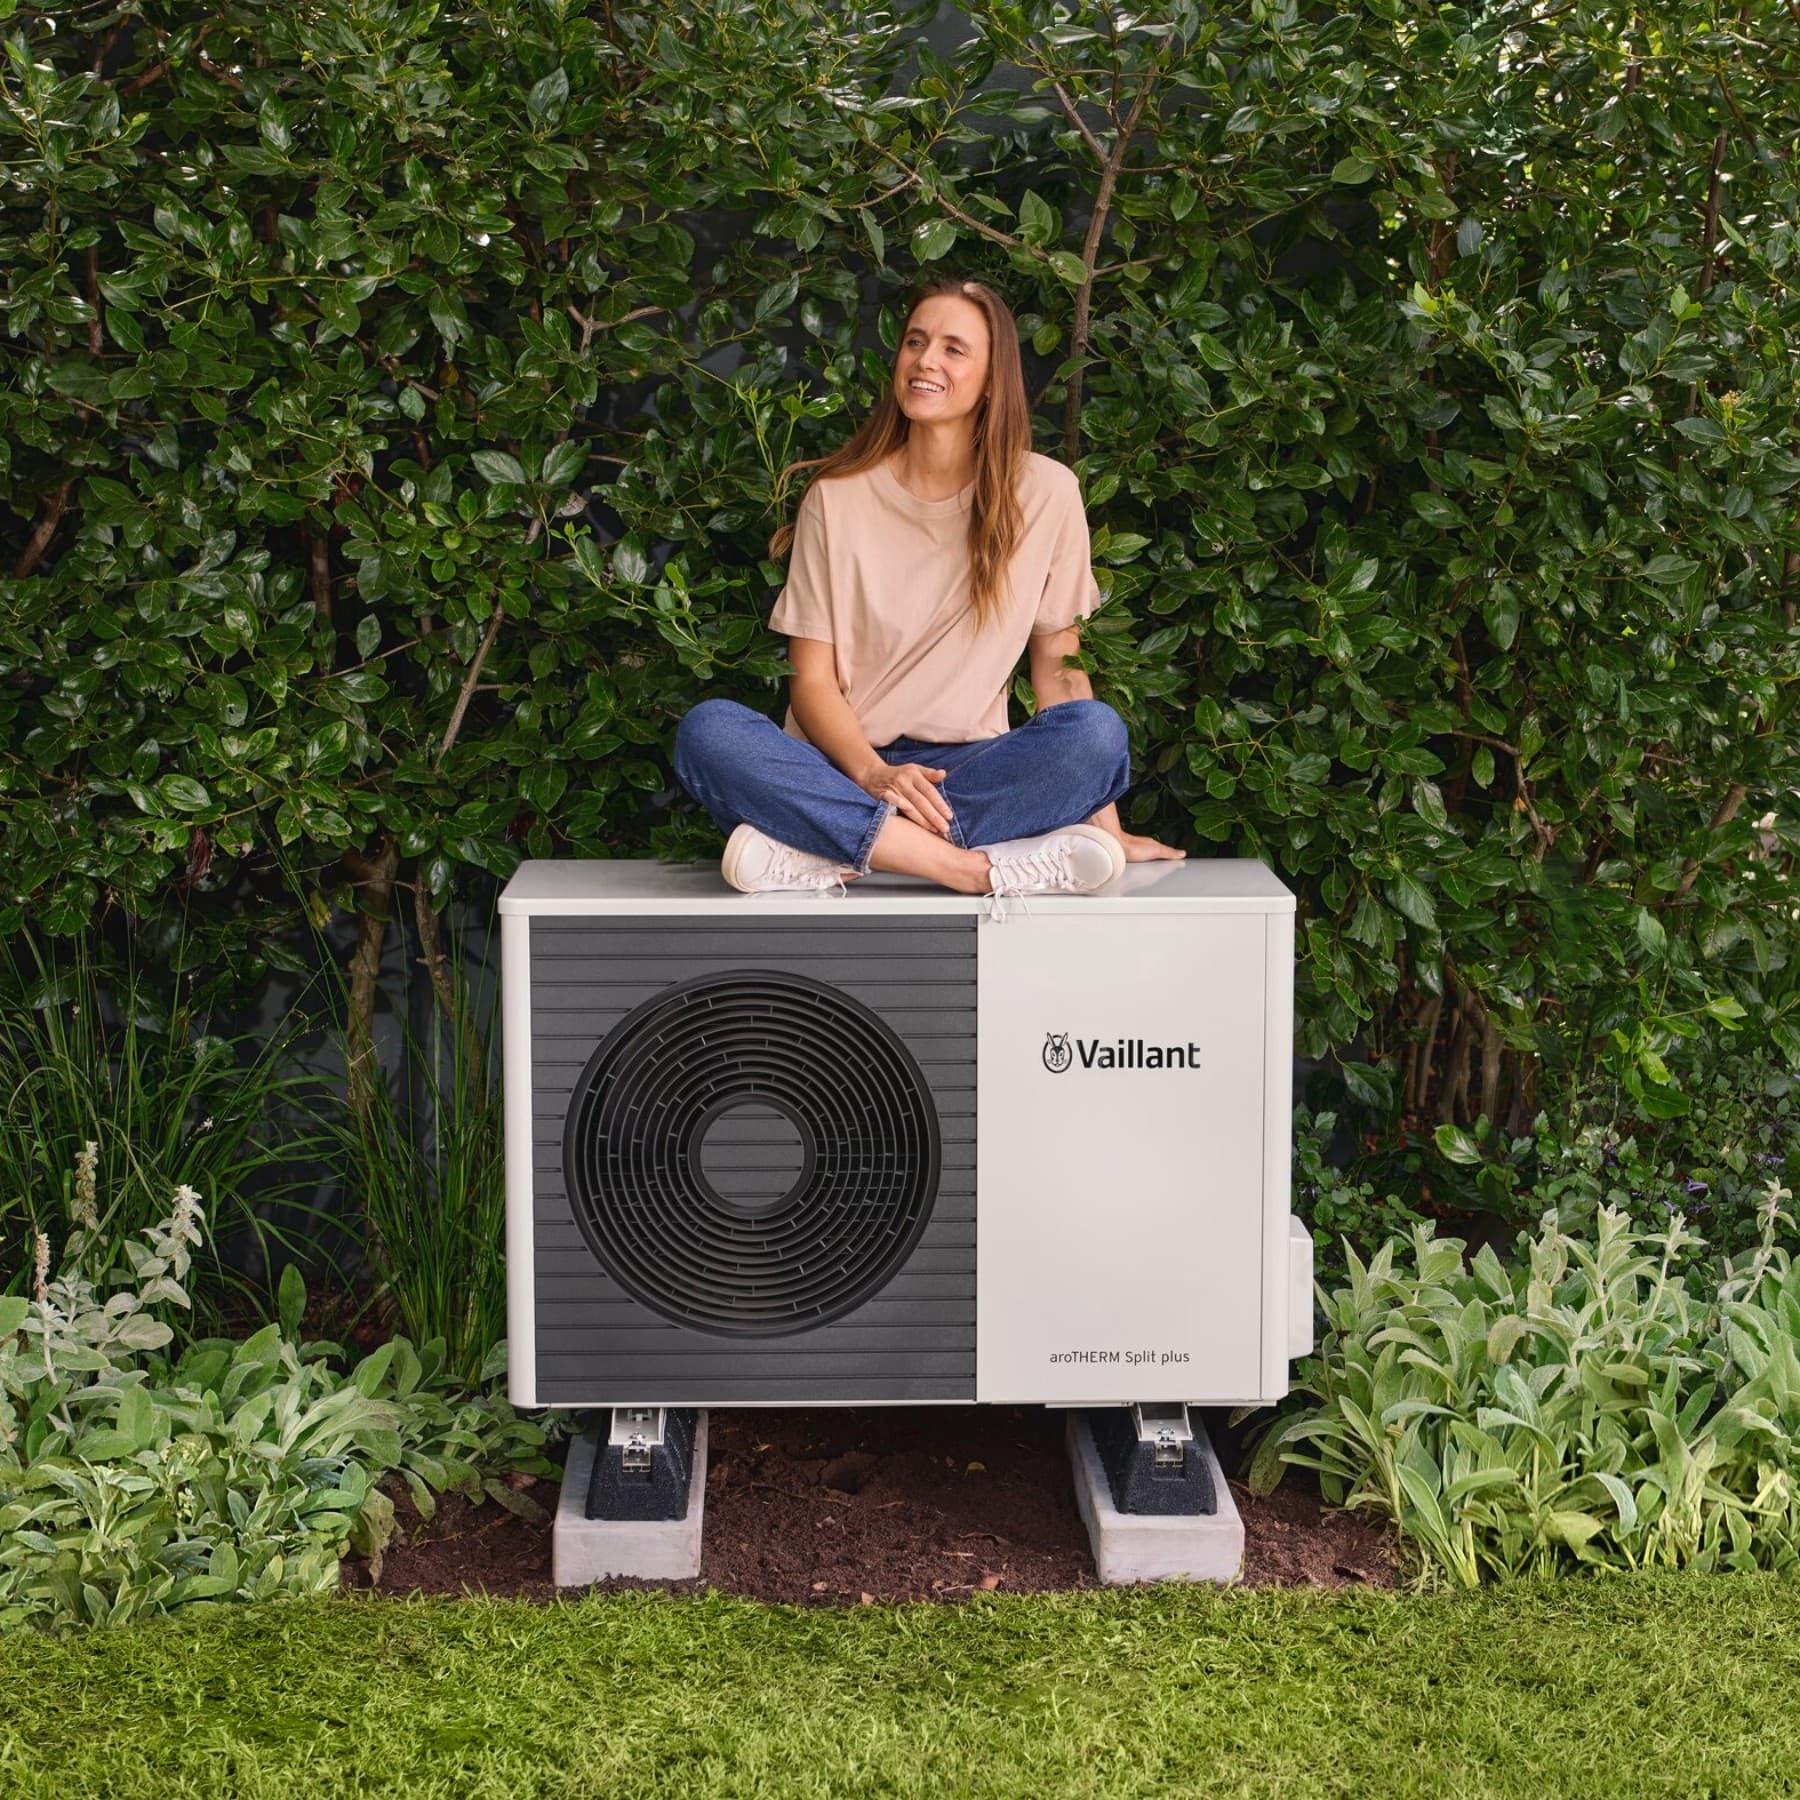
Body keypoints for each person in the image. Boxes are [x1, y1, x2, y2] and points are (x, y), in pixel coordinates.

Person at [673, 276, 1185, 910]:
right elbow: (811, 682)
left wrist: (1106, 826)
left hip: (965, 773)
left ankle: (837, 846)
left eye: (953, 348)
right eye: (915, 342)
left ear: (994, 378)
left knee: (1095, 733)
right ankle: (969, 868)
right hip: (841, 764)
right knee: (710, 730)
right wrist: (873, 773)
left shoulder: (1047, 494)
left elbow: (1060, 673)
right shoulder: (836, 498)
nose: (925, 361)